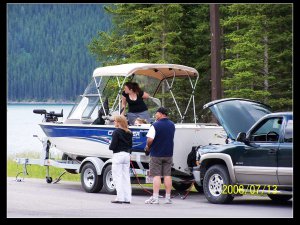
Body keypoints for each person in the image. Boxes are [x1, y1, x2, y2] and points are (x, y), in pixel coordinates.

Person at [144, 107, 175, 204]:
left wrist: (148, 147)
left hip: (156, 153)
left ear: (161, 114)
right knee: (167, 175)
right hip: (168, 153)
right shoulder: (172, 125)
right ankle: (168, 198)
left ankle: (155, 198)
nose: (155, 115)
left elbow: (150, 139)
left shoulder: (155, 125)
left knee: (156, 175)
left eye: (156, 113)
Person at [109, 115, 133, 204]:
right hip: (126, 155)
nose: (114, 122)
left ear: (119, 122)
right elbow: (131, 146)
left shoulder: (116, 132)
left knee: (117, 177)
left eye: (115, 121)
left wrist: (109, 145)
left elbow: (113, 146)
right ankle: (127, 198)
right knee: (126, 177)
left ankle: (120, 197)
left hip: (118, 155)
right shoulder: (129, 132)